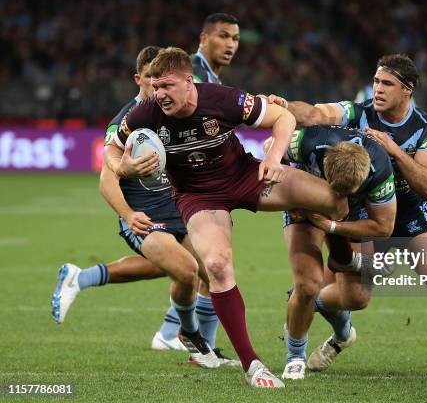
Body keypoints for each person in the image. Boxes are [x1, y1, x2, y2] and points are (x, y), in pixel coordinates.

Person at [104, 47, 348, 388]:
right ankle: (253, 366)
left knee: (334, 201)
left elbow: (284, 117)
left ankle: (341, 266)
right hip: (199, 198)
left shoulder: (222, 99)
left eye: (167, 86)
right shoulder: (144, 113)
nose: (159, 94)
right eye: (155, 86)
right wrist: (121, 166)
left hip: (246, 178)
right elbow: (111, 148)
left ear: (189, 82)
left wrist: (275, 157)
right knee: (217, 266)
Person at [269, 54, 427, 384]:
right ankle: (333, 327)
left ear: (407, 90)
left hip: (405, 215)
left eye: (387, 84)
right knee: (354, 297)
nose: (378, 90)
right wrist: (284, 108)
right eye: (376, 82)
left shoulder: (426, 130)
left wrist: (395, 151)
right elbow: (315, 114)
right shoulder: (358, 112)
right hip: (363, 213)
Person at [51, 45, 235, 368]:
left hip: (178, 208)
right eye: (152, 79)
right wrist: (128, 213)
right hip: (144, 215)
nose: (157, 86)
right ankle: (189, 339)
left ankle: (203, 352)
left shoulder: (172, 112)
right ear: (139, 79)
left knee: (213, 269)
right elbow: (106, 181)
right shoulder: (127, 121)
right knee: (186, 269)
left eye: (163, 80)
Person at [263, 126, 396, 380]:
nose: (339, 197)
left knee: (357, 298)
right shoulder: (309, 142)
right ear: (326, 167)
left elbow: (384, 226)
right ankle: (295, 357)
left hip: (353, 215)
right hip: (305, 205)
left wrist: (333, 226)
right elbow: (269, 147)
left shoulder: (380, 169)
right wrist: (286, 193)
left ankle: (335, 327)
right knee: (308, 285)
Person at [155, 12, 241, 355]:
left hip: (196, 180)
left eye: (235, 38)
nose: (231, 44)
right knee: (208, 264)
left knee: (206, 264)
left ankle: (179, 334)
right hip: (181, 183)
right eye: (223, 36)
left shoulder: (209, 77)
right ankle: (182, 337)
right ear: (204, 38)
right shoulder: (187, 72)